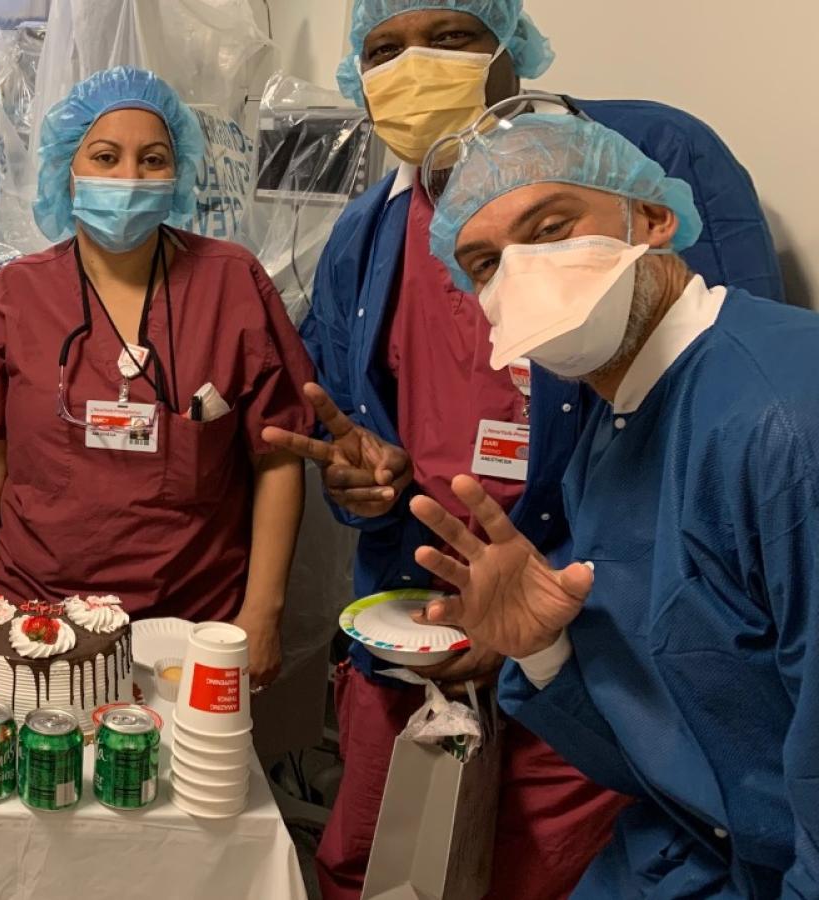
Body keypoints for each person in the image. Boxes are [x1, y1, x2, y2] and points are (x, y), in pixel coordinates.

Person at [288, 2, 785, 897]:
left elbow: (709, 394)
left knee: (545, 871)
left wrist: (545, 617)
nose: (415, 66)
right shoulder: (364, 238)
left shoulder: (640, 155)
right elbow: (350, 428)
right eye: (383, 49)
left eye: (450, 36)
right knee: (371, 864)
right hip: (416, 625)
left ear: (510, 42)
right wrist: (363, 484)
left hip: (598, 632)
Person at [415, 111, 818, 898]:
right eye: (485, 263)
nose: (522, 275)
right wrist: (543, 650)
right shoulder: (618, 418)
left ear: (655, 219)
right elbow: (665, 755)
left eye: (552, 227)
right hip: (693, 855)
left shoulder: (783, 417)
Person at [0, 67, 315, 689]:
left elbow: (278, 458)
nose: (128, 177)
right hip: (34, 616)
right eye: (105, 156)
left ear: (178, 173)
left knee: (192, 782)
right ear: (69, 167)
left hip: (193, 620)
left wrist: (263, 612)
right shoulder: (17, 293)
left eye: (152, 159)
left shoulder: (231, 283)